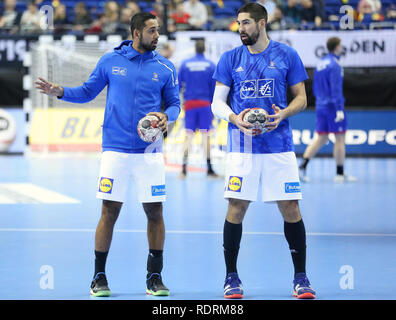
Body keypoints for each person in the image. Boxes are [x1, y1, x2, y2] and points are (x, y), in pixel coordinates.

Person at [35, 12, 180, 297]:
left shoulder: (165, 67)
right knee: (109, 212)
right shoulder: (110, 62)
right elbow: (88, 92)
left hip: (150, 152)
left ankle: (155, 277)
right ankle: (98, 277)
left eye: (158, 30)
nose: (157, 35)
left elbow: (174, 103)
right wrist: (61, 91)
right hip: (115, 150)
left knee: (155, 211)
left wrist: (166, 116)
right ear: (136, 33)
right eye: (151, 30)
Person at [211, 2, 316, 299]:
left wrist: (282, 114)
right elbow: (216, 103)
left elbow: (301, 99)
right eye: (238, 23)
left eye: (245, 23)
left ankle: (301, 277)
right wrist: (234, 118)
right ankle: (231, 277)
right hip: (242, 144)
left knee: (291, 208)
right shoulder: (230, 58)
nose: (240, 29)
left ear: (261, 23)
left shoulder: (287, 55)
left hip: (278, 145)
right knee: (236, 207)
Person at [299, 37, 356, 183]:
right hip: (332, 107)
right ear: (337, 47)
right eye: (341, 45)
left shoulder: (320, 63)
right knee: (340, 138)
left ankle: (302, 166)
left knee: (321, 138)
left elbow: (316, 86)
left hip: (321, 105)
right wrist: (339, 109)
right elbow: (336, 89)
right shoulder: (335, 65)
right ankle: (339, 174)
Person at [178, 39, 218, 178]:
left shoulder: (185, 64)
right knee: (206, 136)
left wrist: (179, 102)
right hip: (205, 104)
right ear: (204, 49)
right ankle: (209, 170)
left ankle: (183, 170)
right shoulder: (211, 65)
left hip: (189, 103)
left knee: (188, 136)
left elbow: (178, 85)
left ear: (195, 49)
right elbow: (214, 89)